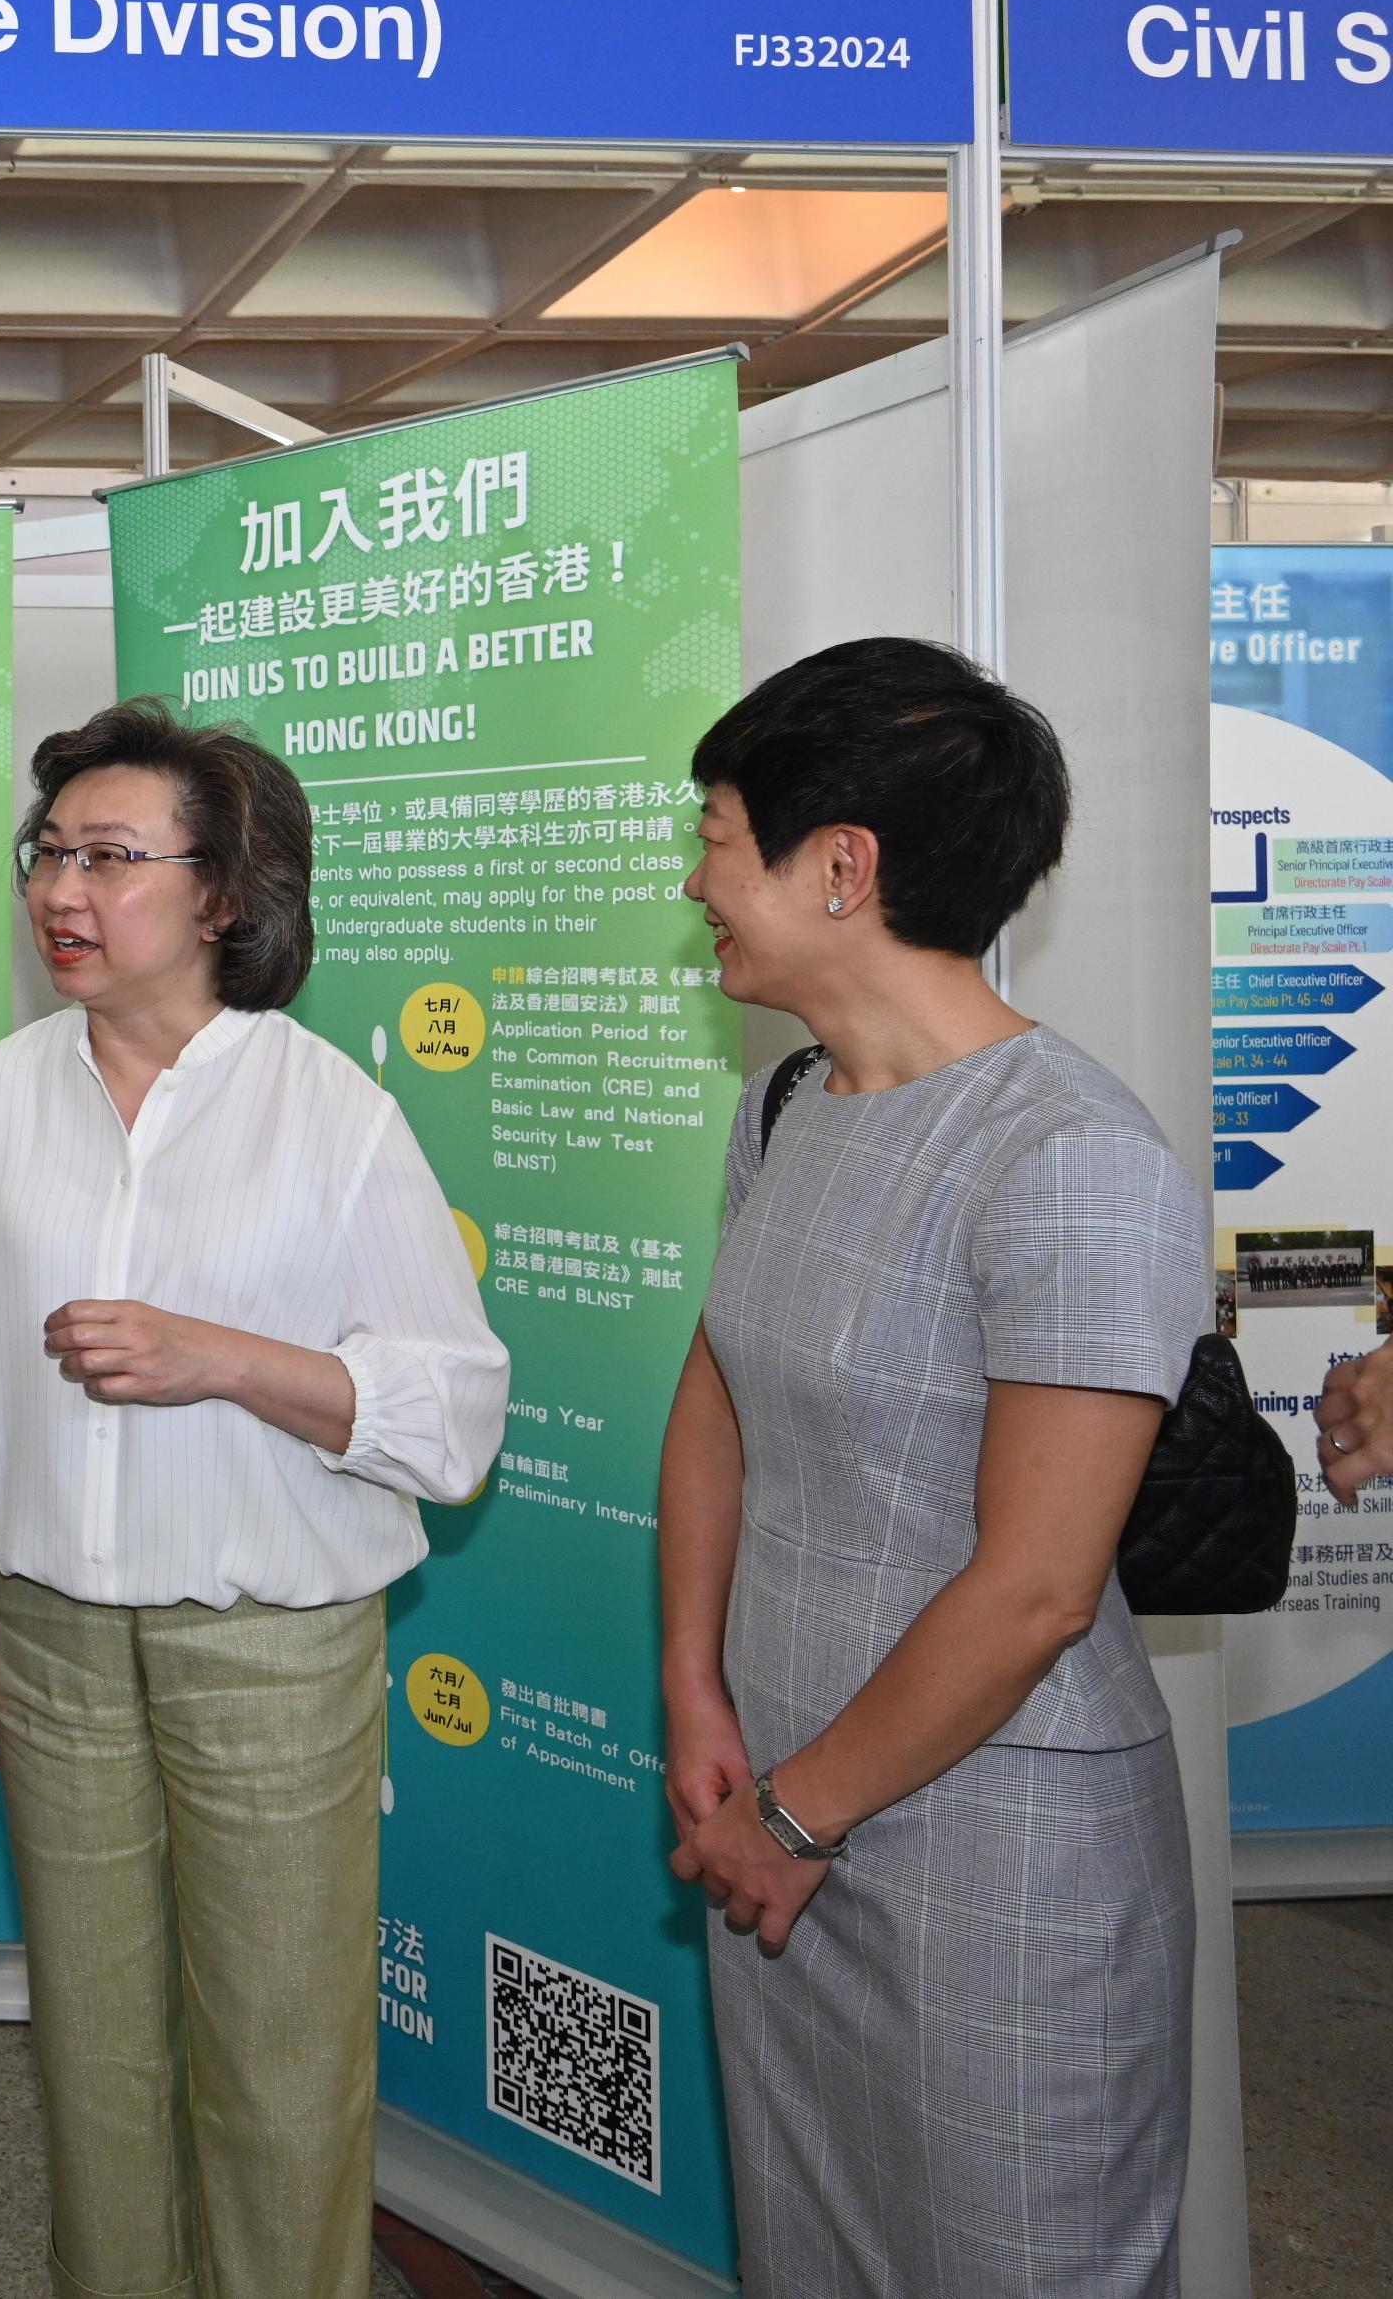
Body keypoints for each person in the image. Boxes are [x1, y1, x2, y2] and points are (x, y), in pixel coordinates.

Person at [0, 699, 503, 2299]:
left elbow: (453, 1415)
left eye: (107, 854)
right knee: (94, 2055)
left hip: (273, 1642)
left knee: (280, 2059)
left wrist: (221, 1357)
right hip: (50, 1637)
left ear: (224, 893)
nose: (60, 890)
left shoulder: (332, 1111)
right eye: (48, 852)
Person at [658, 638, 1205, 2299]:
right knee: (818, 2248)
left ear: (842, 867)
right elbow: (718, 1394)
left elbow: (1037, 1587)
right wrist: (697, 1687)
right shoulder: (795, 1103)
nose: (694, 880)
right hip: (784, 1811)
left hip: (992, 1847)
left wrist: (798, 1812)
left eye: (718, 836)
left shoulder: (1073, 1158)